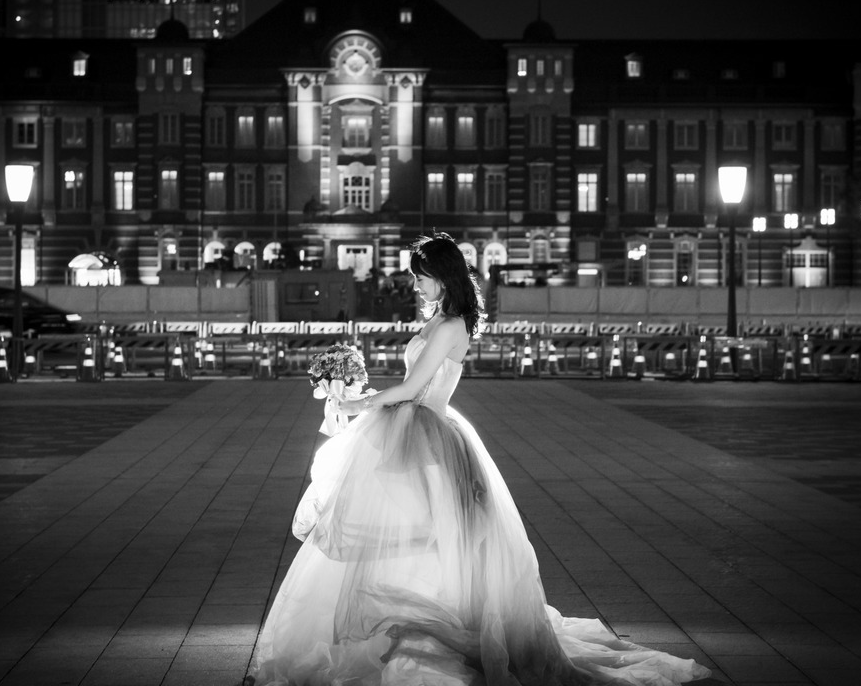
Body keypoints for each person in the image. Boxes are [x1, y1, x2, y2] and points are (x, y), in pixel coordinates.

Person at [250, 232, 712, 686]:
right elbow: (412, 385)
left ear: (443, 278)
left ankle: (428, 627)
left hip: (427, 434)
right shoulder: (439, 321)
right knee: (402, 529)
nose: (415, 286)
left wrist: (356, 405)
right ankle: (402, 625)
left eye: (421, 278)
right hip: (411, 427)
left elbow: (414, 391)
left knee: (424, 532)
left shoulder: (451, 326)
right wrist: (366, 393)